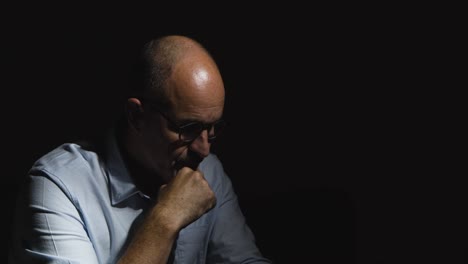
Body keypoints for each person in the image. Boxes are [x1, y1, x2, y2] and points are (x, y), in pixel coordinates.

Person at [9, 35, 271, 263]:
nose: (203, 149)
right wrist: (165, 219)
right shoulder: (57, 187)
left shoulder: (208, 169)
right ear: (136, 116)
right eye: (188, 128)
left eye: (213, 129)